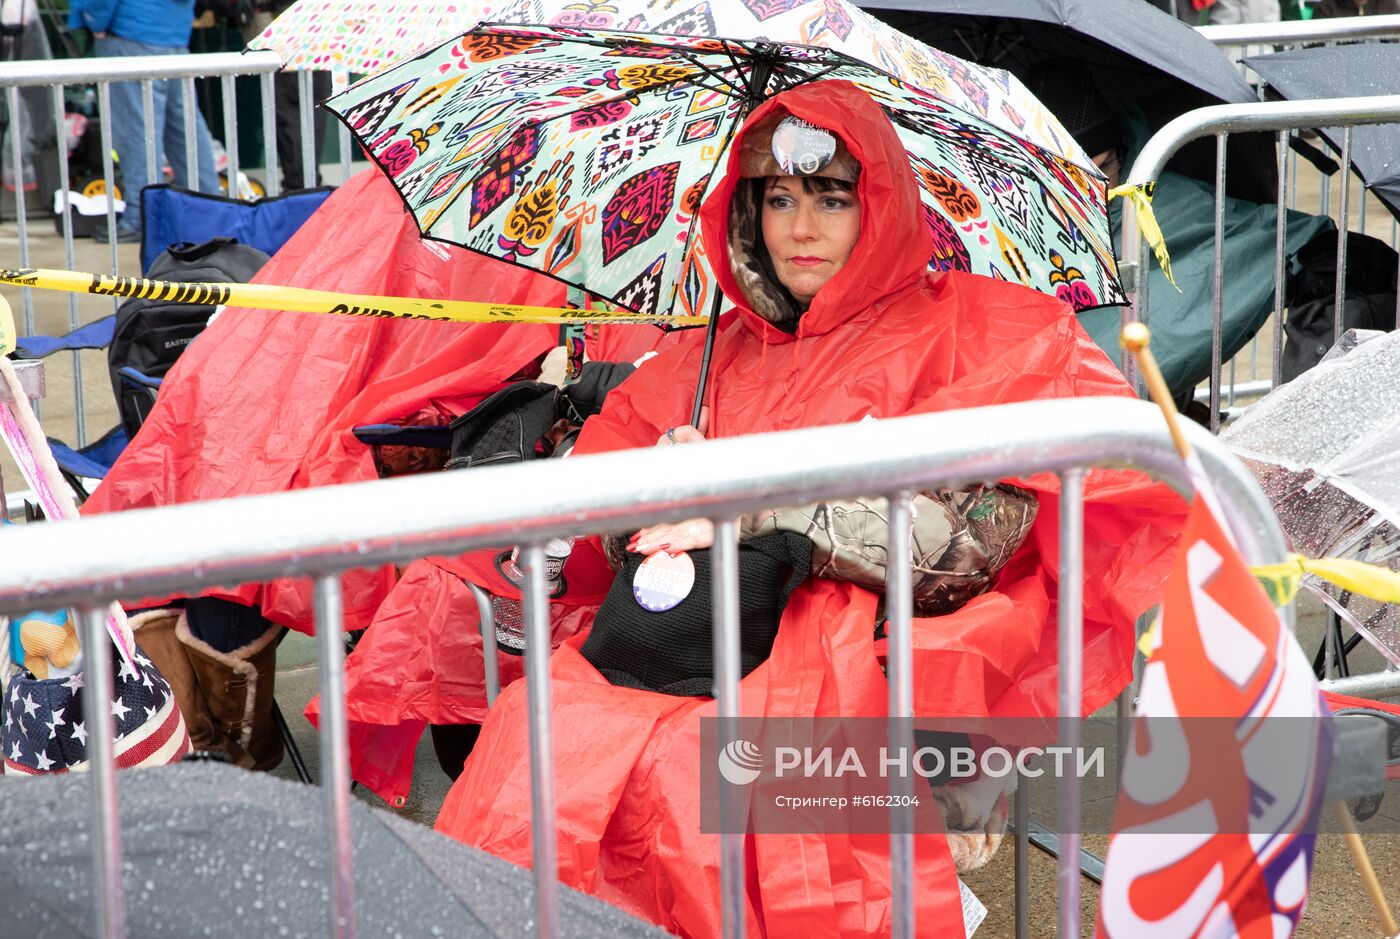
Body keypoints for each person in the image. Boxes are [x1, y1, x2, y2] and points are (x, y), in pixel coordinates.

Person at [433, 80, 1184, 936]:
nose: (799, 228)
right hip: (686, 643)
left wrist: (750, 507)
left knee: (707, 780)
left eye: (831, 198)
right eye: (778, 197)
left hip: (869, 652)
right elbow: (609, 512)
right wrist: (657, 484)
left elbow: (968, 537)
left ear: (881, 207)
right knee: (533, 740)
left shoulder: (976, 331)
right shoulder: (710, 349)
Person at [69, 0, 220, 242]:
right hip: (175, 36)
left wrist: (93, 20)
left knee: (137, 133)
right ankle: (211, 213)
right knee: (185, 130)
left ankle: (142, 219)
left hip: (129, 34)